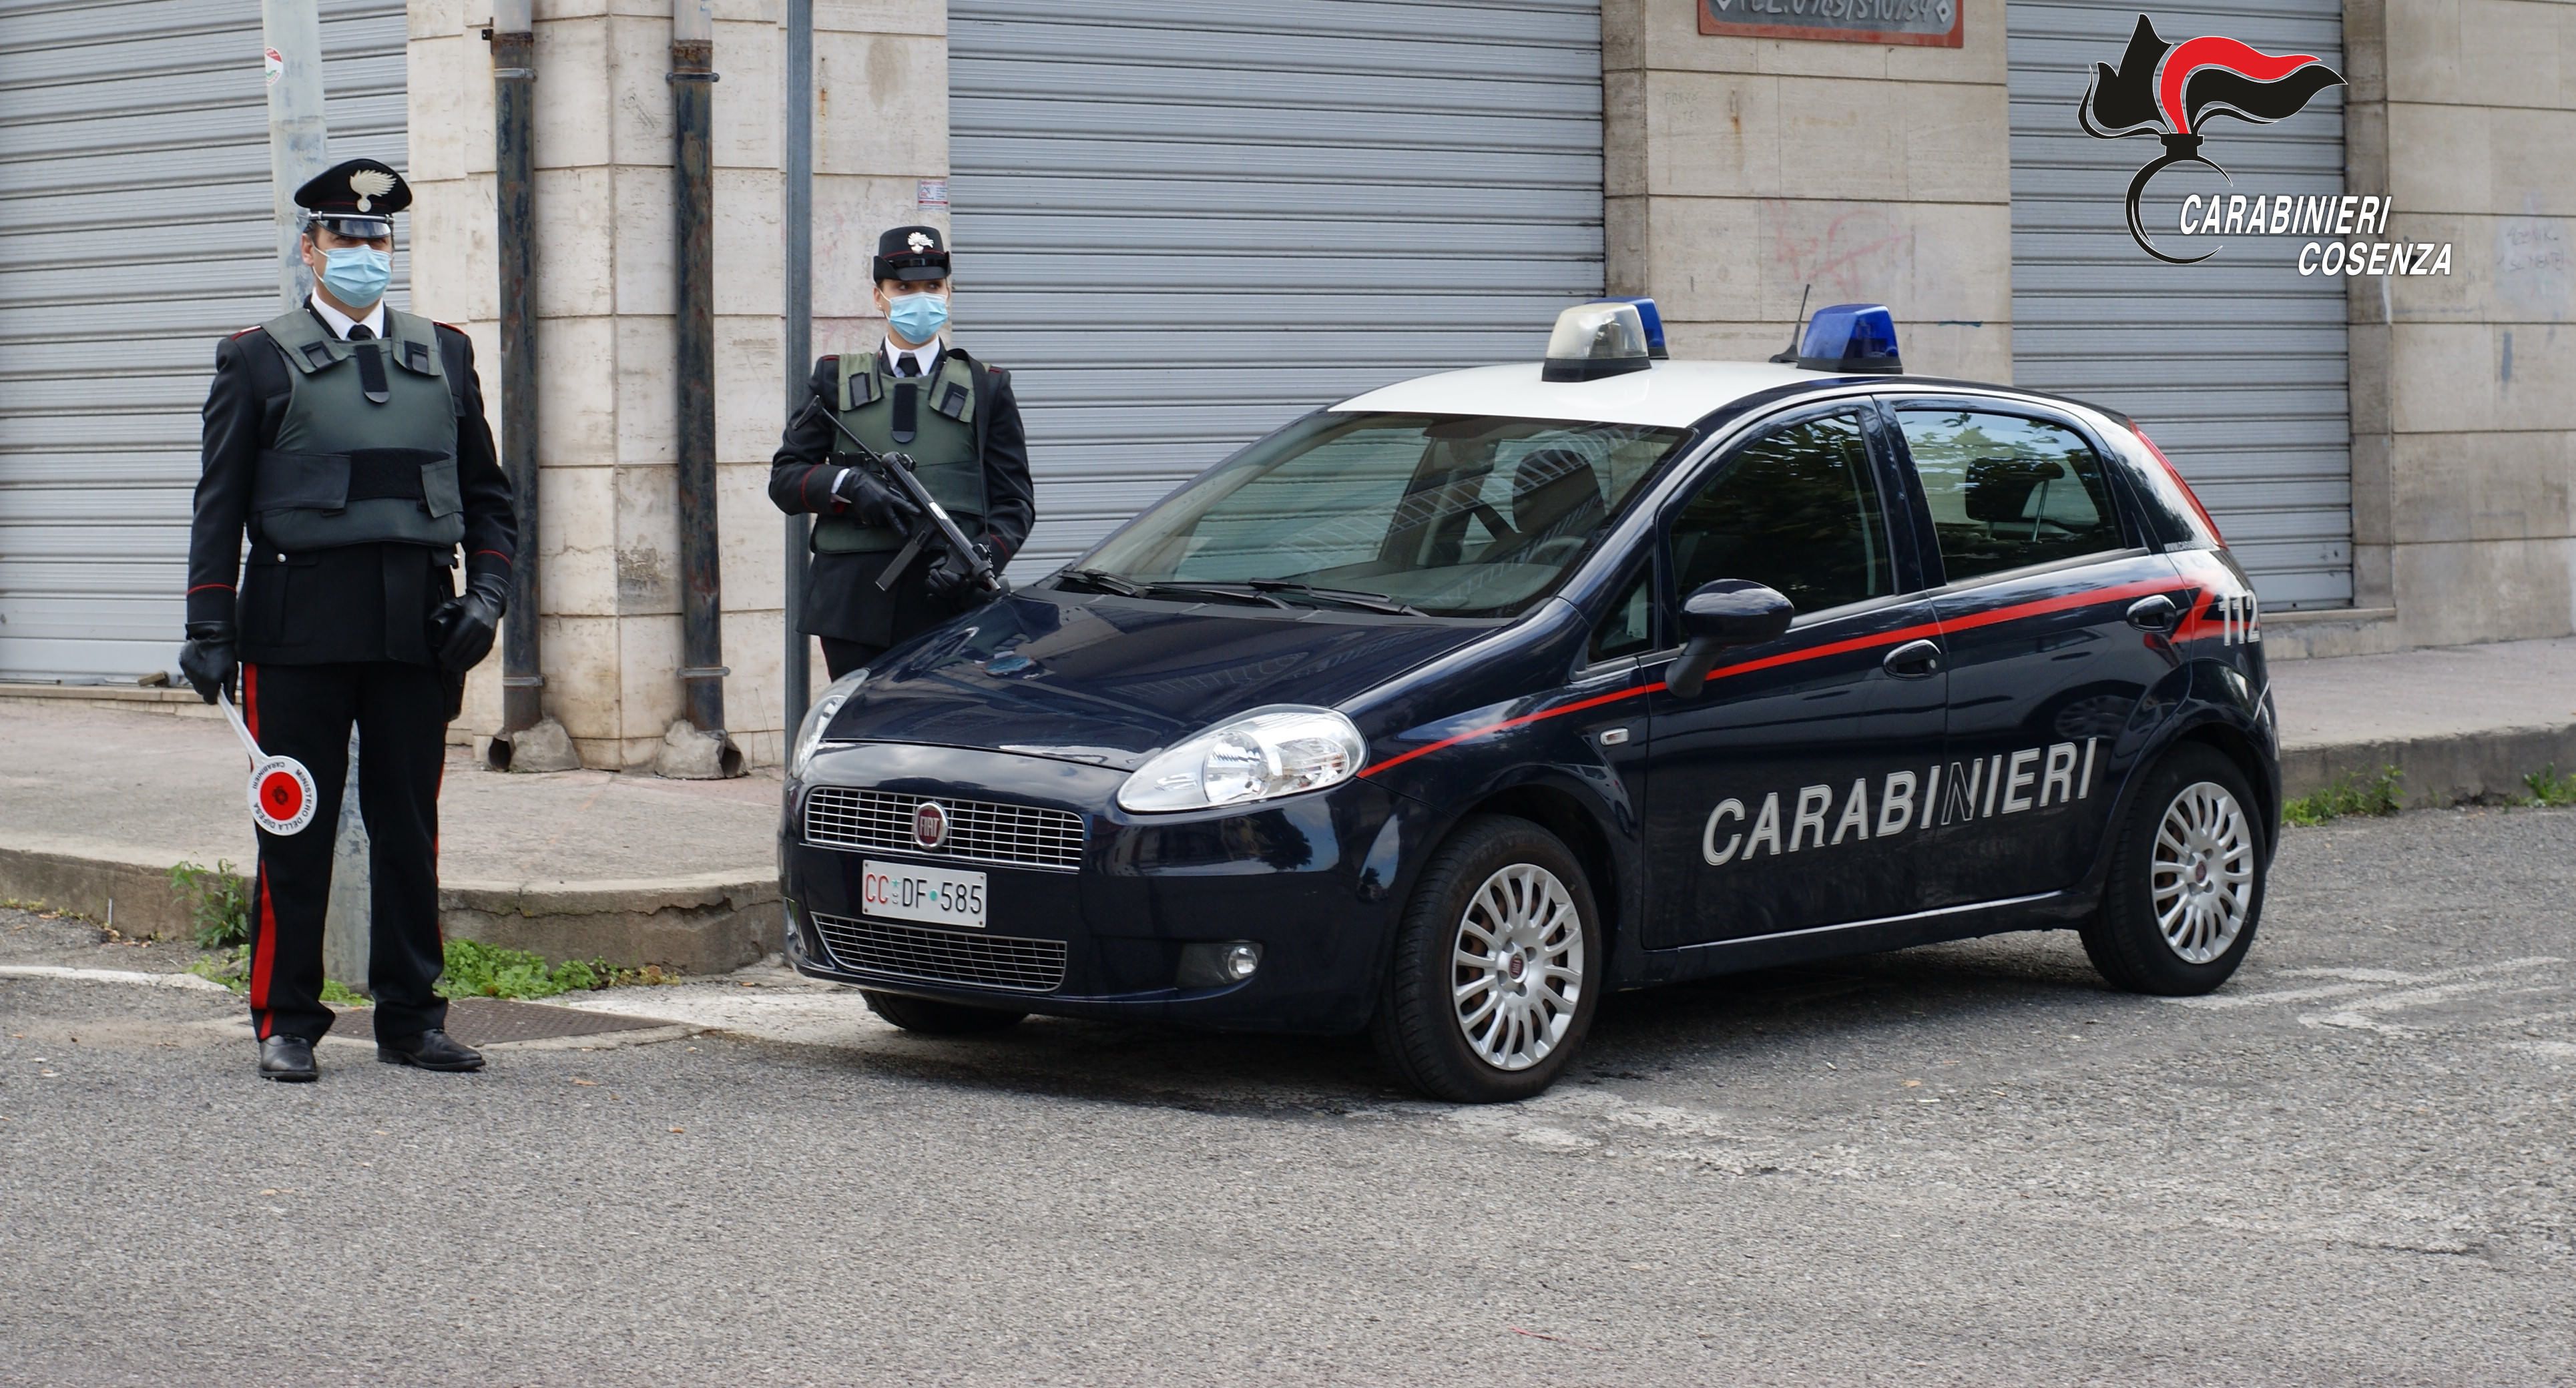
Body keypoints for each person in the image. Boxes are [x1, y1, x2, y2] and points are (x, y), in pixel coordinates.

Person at [177, 158, 517, 1082]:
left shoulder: (445, 353)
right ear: (310, 248)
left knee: (408, 828)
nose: (364, 250)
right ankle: (286, 1020)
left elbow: (489, 499)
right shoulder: (255, 357)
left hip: (418, 624)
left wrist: (485, 600)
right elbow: (219, 503)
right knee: (296, 824)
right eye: (345, 235)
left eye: (378, 237)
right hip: (297, 624)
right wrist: (209, 625)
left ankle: (411, 1018)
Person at [769, 225, 1034, 679]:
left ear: (947, 293)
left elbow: (1015, 504)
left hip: (950, 598)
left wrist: (976, 557)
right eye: (904, 288)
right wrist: (848, 484)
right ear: (879, 297)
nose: (920, 299)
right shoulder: (833, 380)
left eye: (932, 286)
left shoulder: (986, 386)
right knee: (857, 717)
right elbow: (786, 479)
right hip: (852, 604)